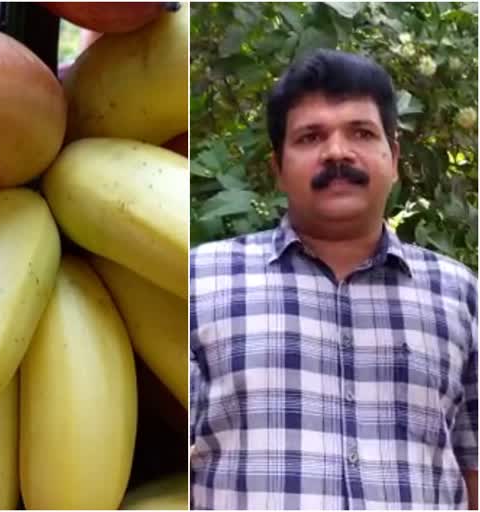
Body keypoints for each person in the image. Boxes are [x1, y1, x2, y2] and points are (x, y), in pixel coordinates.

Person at [189, 49, 478, 510]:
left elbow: (473, 464)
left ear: (394, 156)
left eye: (362, 133)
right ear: (278, 169)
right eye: (310, 136)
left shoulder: (459, 293)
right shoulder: (200, 281)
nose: (338, 152)